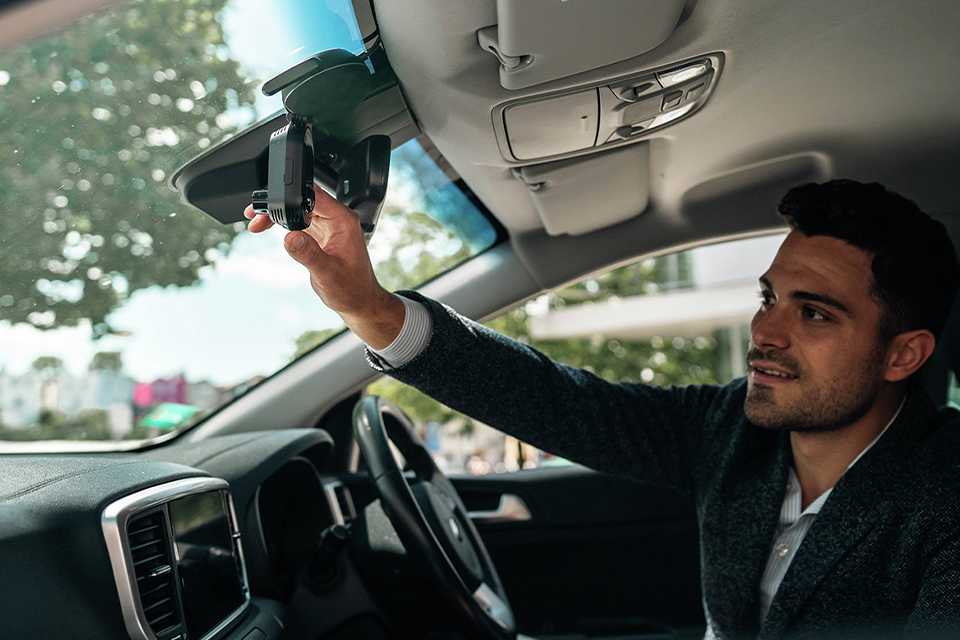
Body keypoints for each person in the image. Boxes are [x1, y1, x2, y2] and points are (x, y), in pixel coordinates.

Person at [244, 179, 960, 639]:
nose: (765, 333)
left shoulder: (946, 493)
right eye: (769, 298)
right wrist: (369, 307)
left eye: (816, 315)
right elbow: (558, 402)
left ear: (903, 355)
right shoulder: (734, 432)